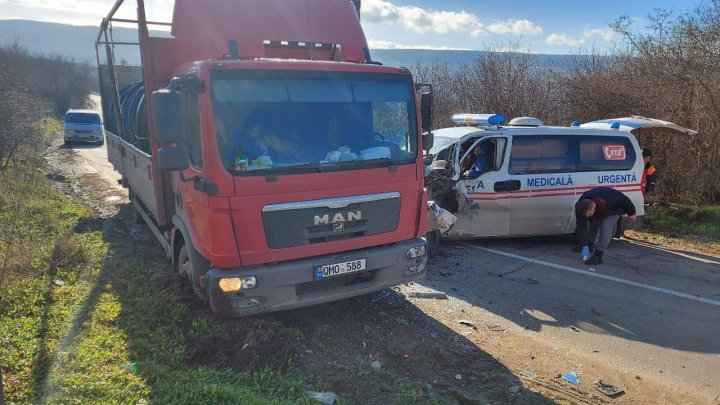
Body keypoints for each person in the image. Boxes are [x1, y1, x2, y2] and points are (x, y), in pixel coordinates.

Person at [575, 187, 637, 265]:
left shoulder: (610, 196)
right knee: (593, 222)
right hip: (600, 210)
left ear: (593, 206)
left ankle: (598, 255)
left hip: (613, 210)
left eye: (588, 214)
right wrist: (584, 245)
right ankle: (589, 244)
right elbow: (581, 226)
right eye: (586, 215)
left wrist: (632, 213)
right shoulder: (580, 207)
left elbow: (625, 200)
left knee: (605, 227)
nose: (587, 216)